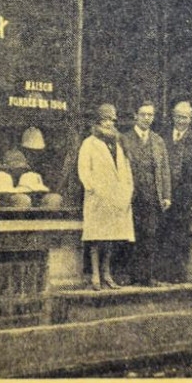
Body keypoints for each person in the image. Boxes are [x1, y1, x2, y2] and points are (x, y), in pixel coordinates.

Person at [77, 103, 135, 290]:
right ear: (98, 121)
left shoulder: (119, 142)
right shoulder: (90, 143)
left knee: (110, 238)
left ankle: (107, 274)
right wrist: (92, 187)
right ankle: (95, 275)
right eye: (105, 119)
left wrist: (127, 189)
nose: (108, 123)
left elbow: (126, 169)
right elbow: (83, 169)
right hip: (98, 197)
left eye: (111, 120)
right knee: (96, 238)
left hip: (115, 197)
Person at [121, 100, 171, 286]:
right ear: (136, 116)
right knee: (129, 236)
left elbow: (164, 170)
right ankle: (129, 276)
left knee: (149, 236)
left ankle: (147, 277)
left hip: (152, 196)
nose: (147, 119)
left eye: (150, 115)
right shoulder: (124, 139)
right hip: (131, 196)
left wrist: (166, 196)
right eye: (143, 114)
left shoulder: (158, 141)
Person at [163, 100, 192, 282]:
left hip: (185, 197)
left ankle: (177, 274)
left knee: (180, 236)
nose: (180, 120)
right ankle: (162, 273)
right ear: (173, 117)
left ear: (190, 119)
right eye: (178, 116)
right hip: (165, 195)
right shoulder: (163, 138)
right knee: (164, 233)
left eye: (184, 117)